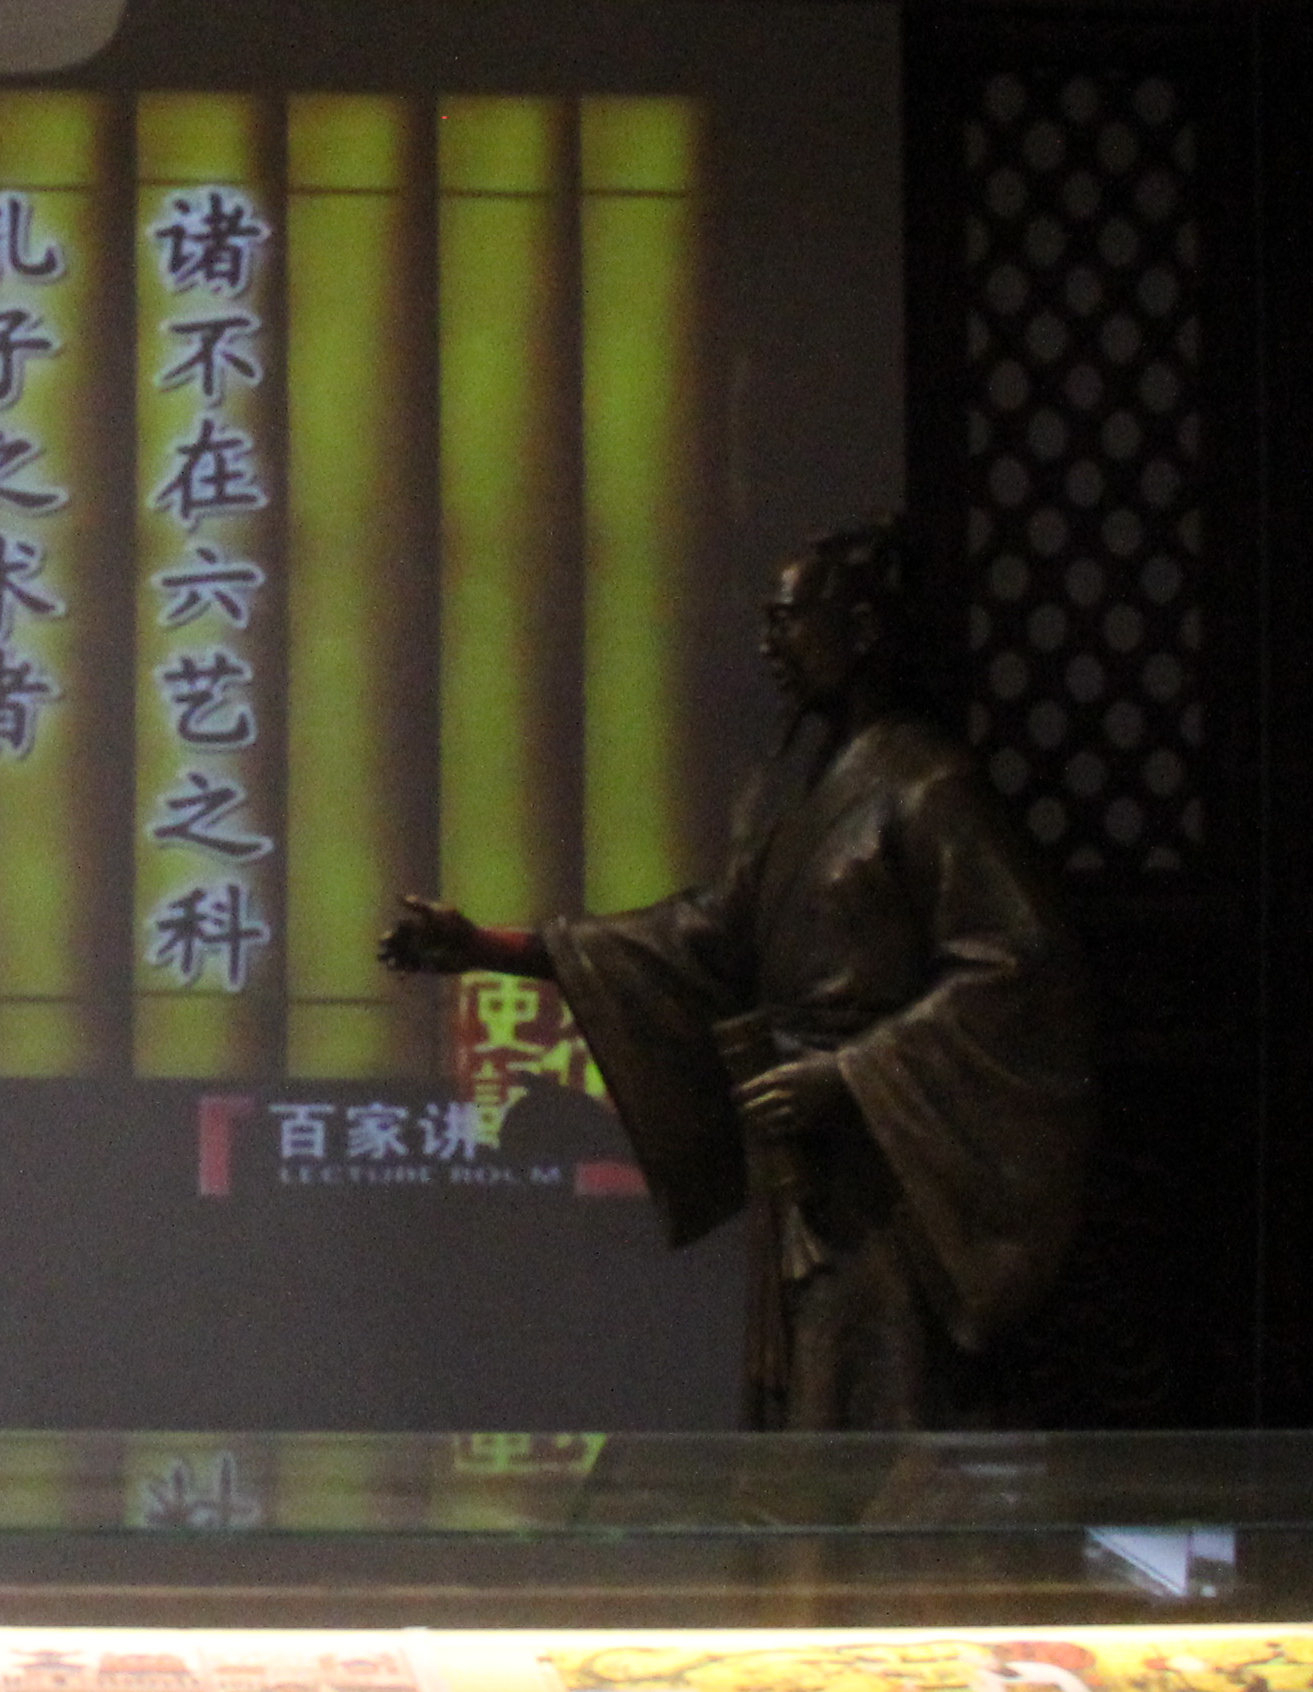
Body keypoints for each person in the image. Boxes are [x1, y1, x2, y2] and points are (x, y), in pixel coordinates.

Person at [383, 517, 1089, 1429]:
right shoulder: (805, 792)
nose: (769, 644)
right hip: (805, 1168)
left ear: (862, 631)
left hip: (884, 1171)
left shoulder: (928, 787)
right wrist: (493, 949)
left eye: (788, 619)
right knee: (815, 1407)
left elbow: (1016, 966)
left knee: (876, 1405)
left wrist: (848, 1075)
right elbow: (702, 936)